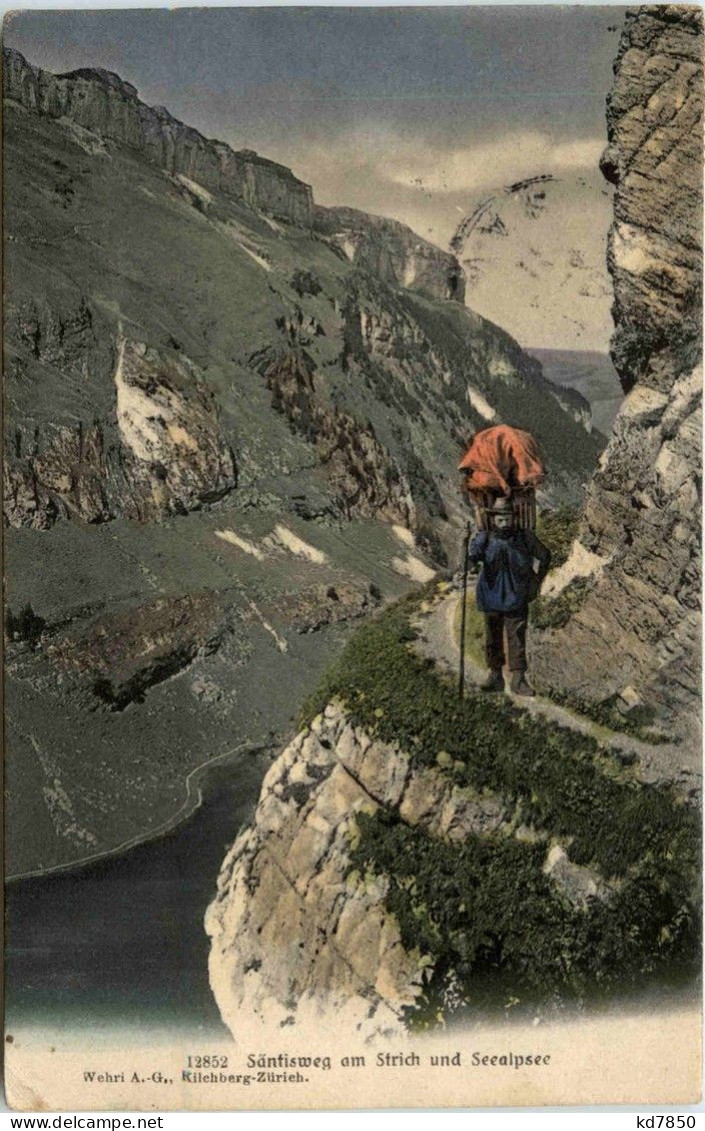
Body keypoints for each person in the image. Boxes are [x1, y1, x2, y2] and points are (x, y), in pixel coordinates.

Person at [468, 497, 551, 696]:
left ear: (513, 518)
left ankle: (518, 681)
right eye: (499, 519)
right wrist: (473, 541)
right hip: (491, 597)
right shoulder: (485, 538)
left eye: (507, 519)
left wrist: (537, 582)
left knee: (517, 639)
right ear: (493, 519)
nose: (504, 523)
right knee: (493, 638)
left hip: (517, 597)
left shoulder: (525, 537)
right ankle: (495, 677)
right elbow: (473, 556)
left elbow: (545, 556)